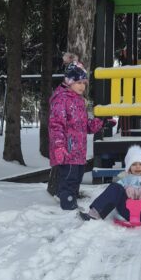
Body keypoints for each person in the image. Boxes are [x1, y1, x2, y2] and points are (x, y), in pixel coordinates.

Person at [48, 53, 105, 211]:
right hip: (67, 150)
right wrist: (59, 146)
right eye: (78, 82)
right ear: (69, 81)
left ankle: (68, 199)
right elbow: (56, 125)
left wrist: (101, 122)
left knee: (77, 178)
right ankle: (68, 206)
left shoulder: (79, 100)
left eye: (84, 83)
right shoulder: (61, 99)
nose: (82, 86)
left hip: (79, 151)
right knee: (70, 179)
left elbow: (85, 126)